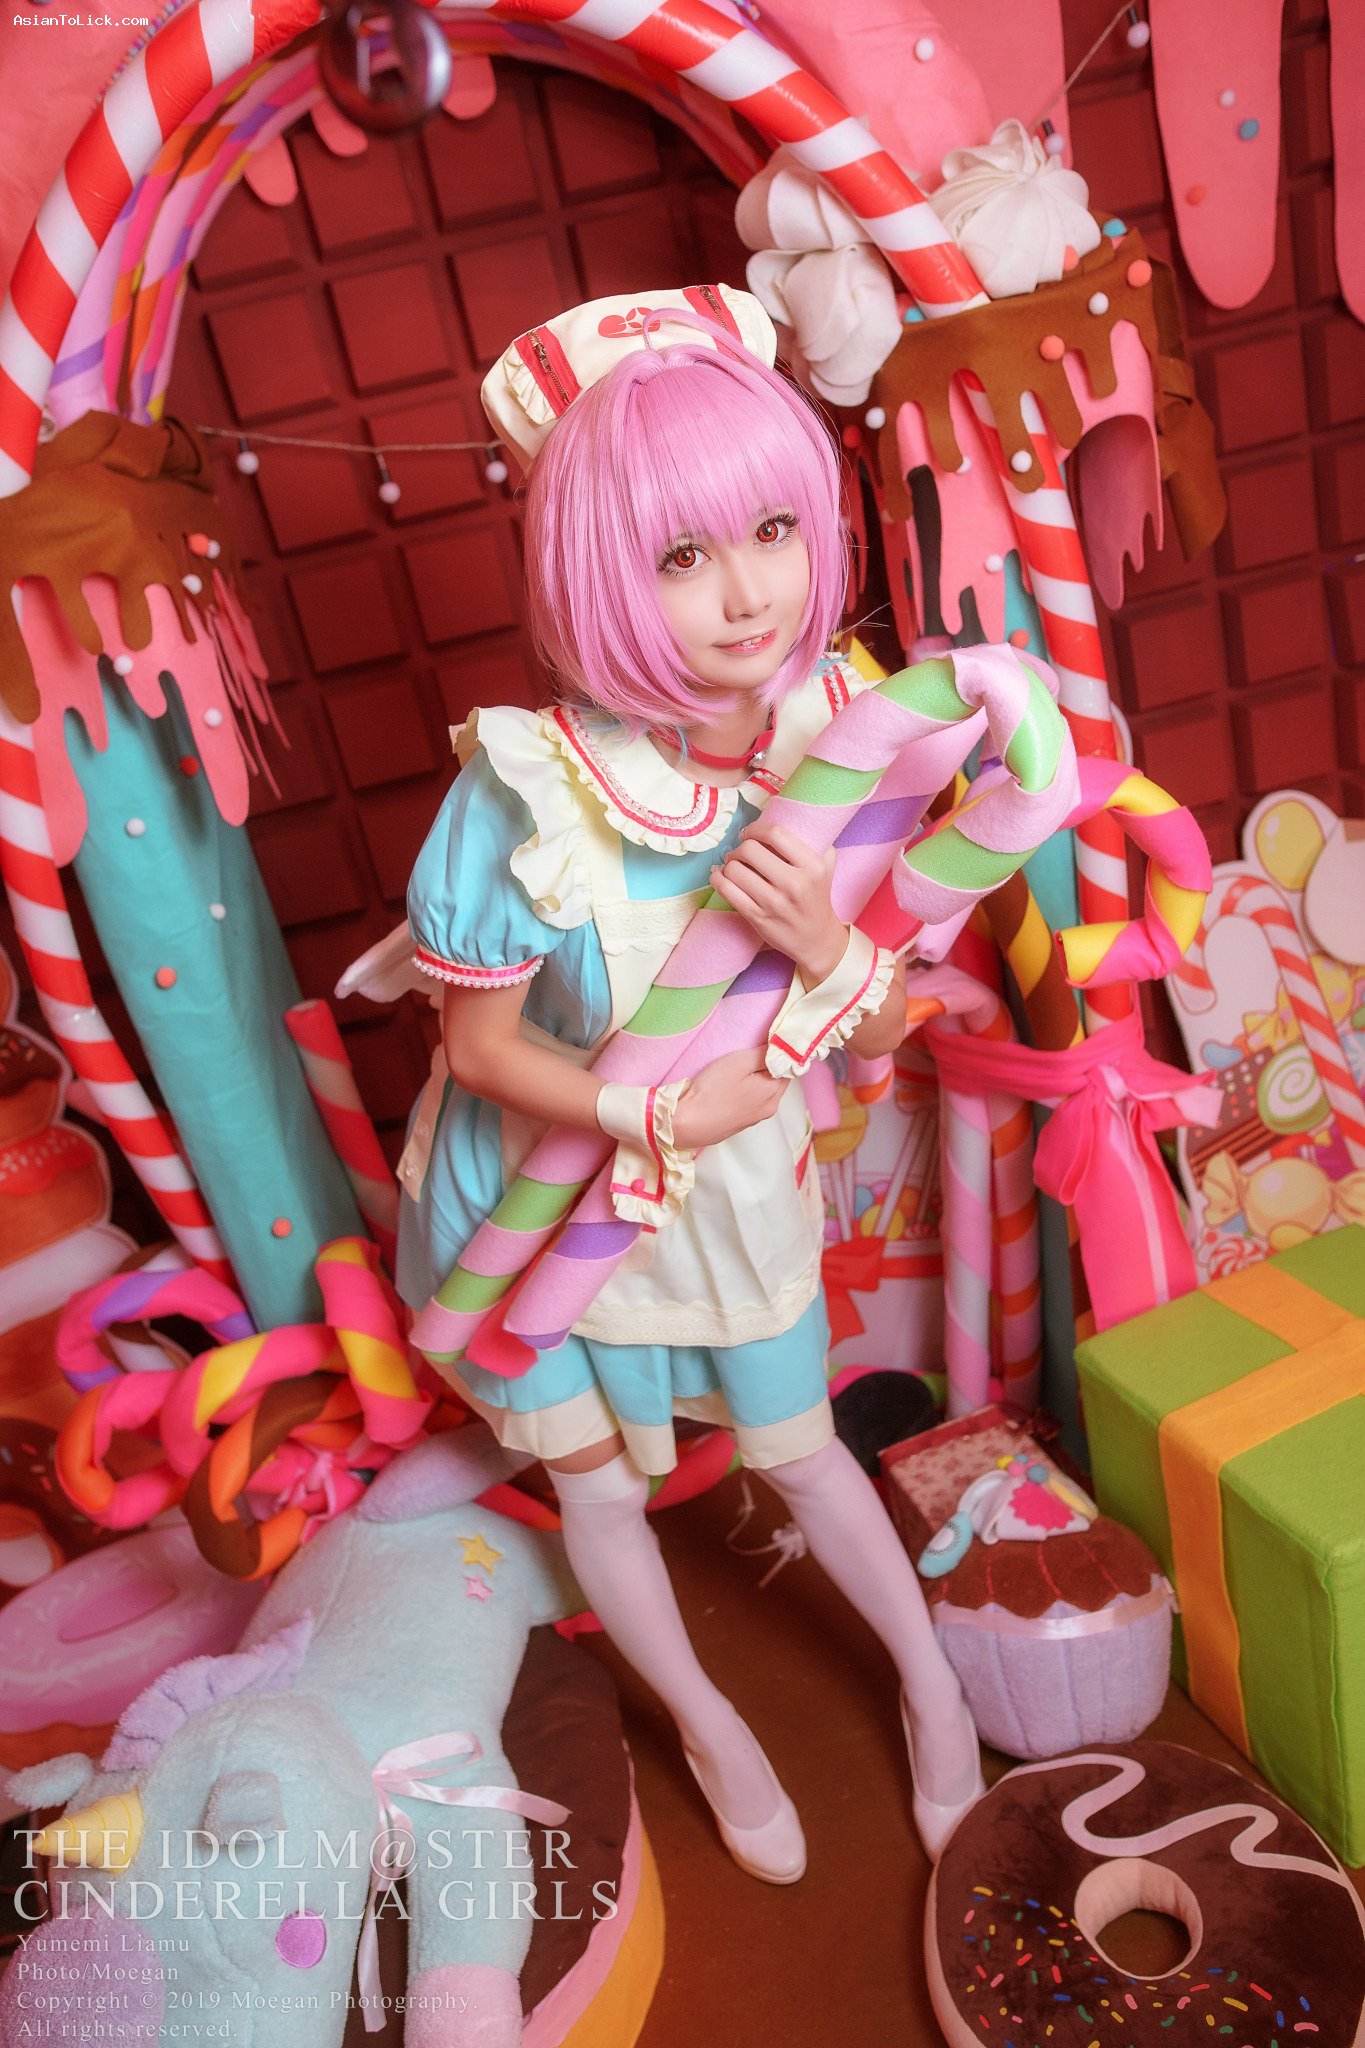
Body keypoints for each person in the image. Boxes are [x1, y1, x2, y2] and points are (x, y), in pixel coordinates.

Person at [395, 285, 983, 1880]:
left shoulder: (847, 733)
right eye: (677, 555)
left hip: (729, 1190)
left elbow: (882, 1023)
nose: (745, 595)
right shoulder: (530, 789)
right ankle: (713, 1731)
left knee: (800, 1453)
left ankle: (932, 1695)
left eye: (772, 530)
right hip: (533, 1201)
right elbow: (478, 1050)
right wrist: (653, 1111)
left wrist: (824, 947)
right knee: (598, 1496)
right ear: (594, 567)